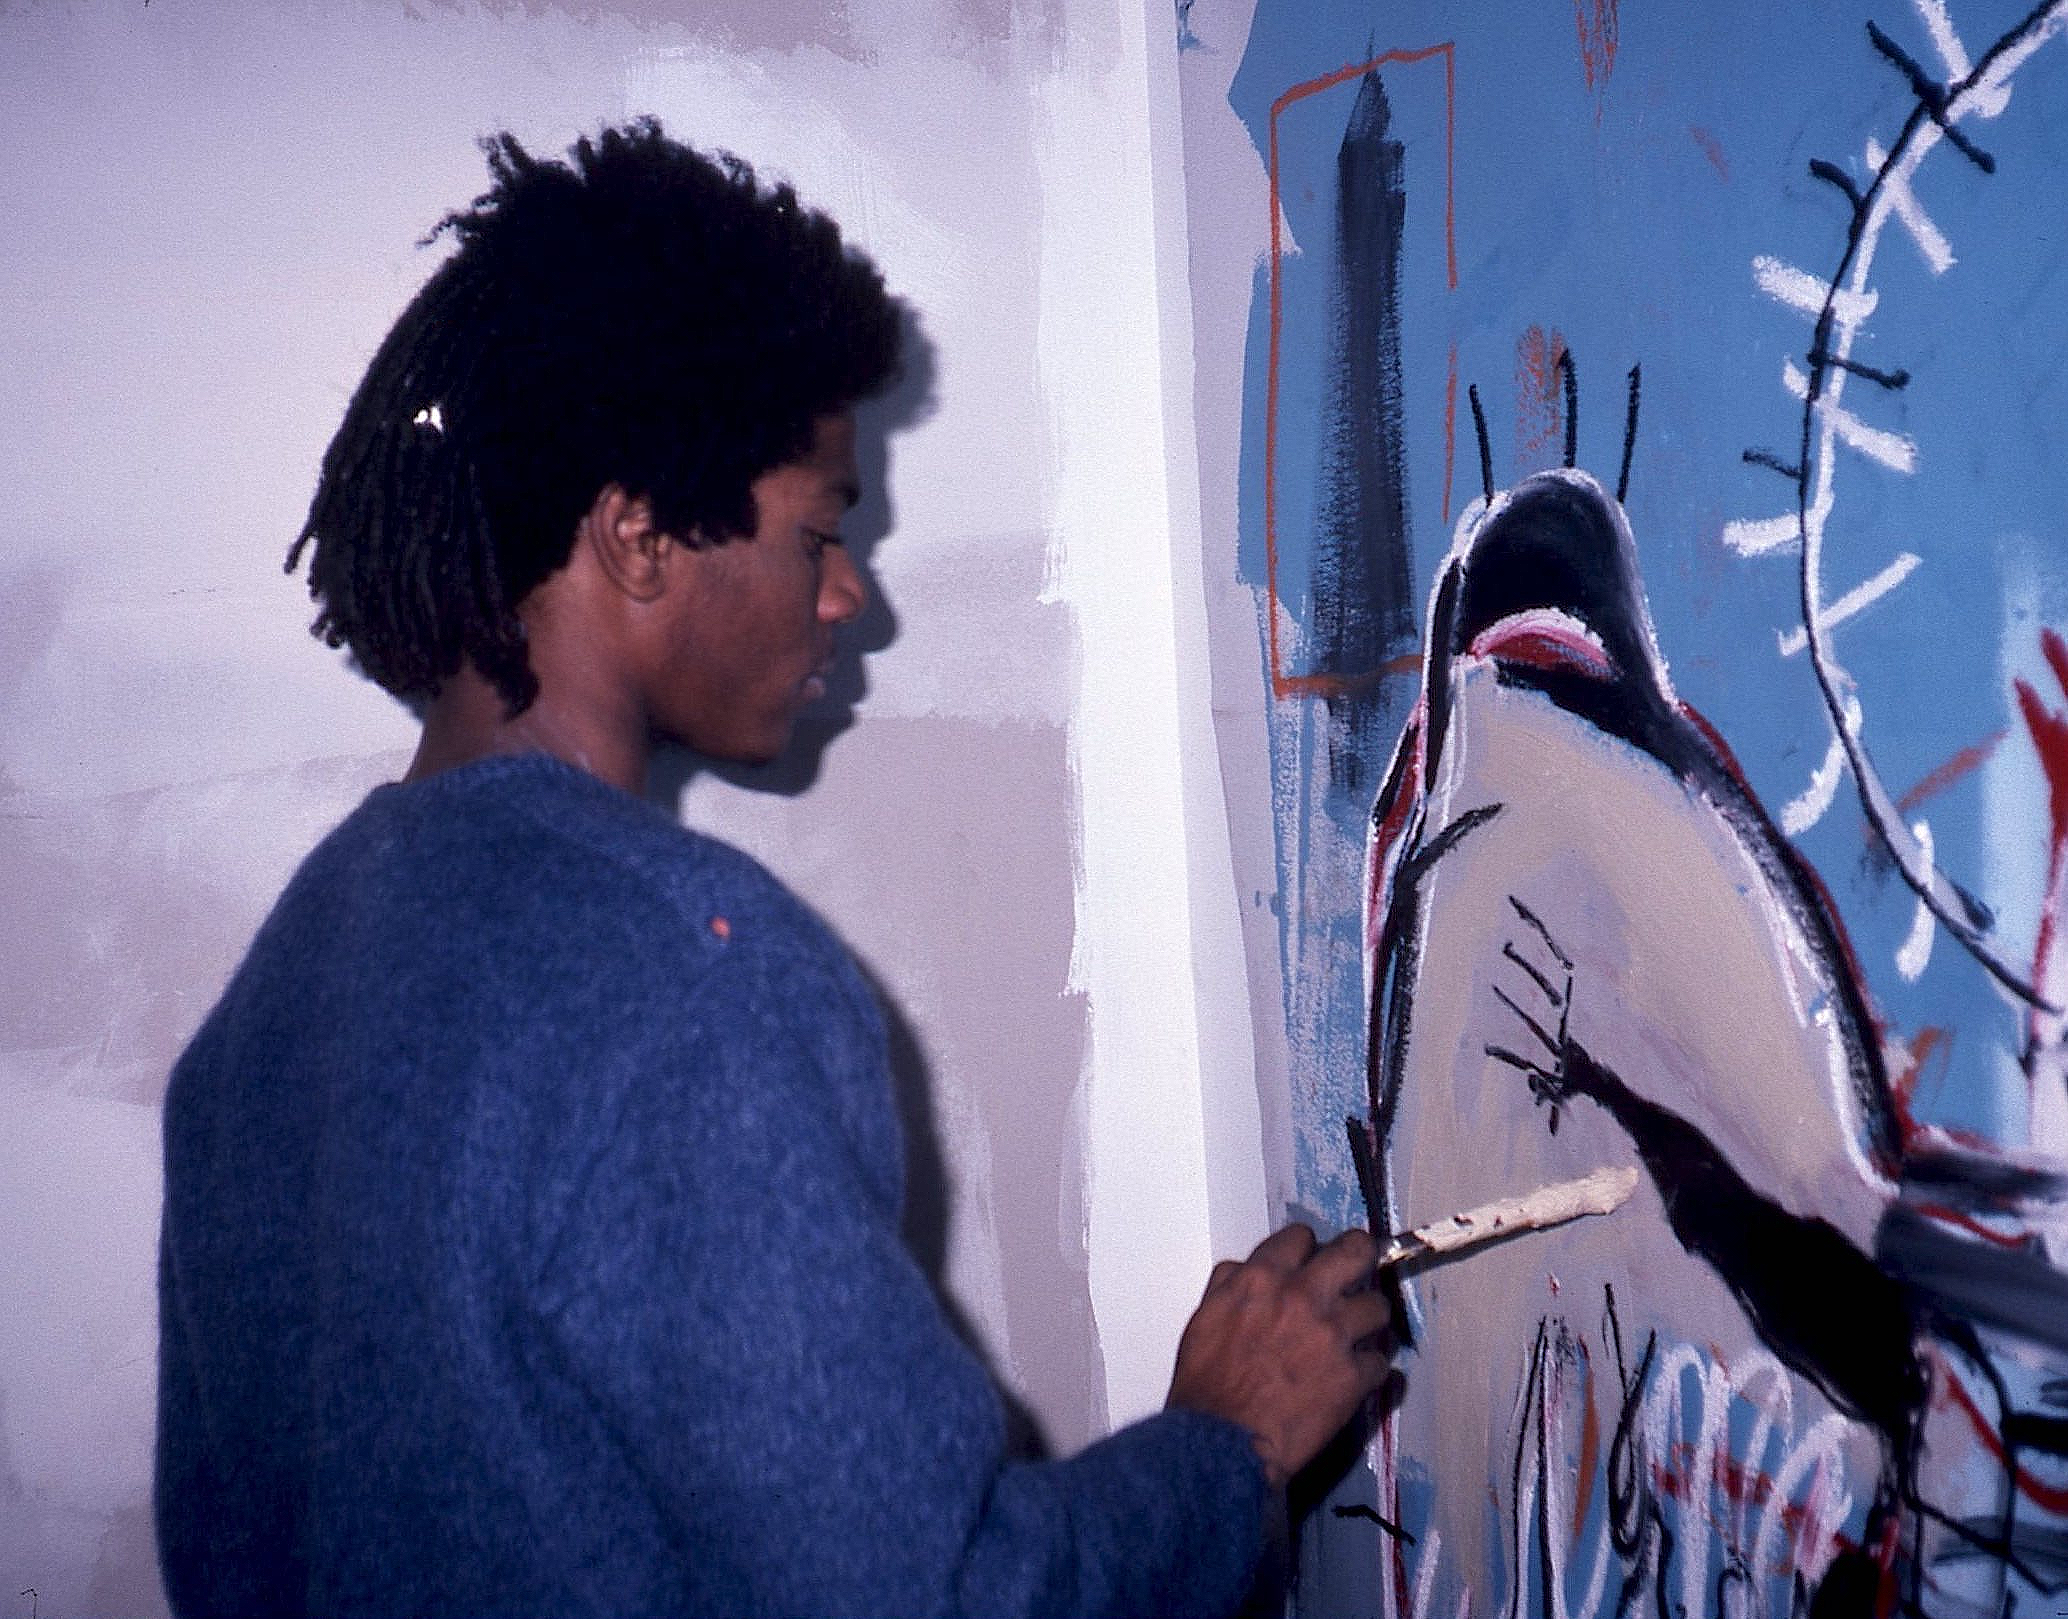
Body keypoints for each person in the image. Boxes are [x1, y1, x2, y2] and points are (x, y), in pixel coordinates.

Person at [154, 120, 1391, 1618]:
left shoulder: (286, 986)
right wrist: (1230, 1444)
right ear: (638, 541)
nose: (847, 591)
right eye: (818, 528)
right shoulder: (688, 983)